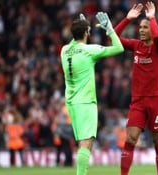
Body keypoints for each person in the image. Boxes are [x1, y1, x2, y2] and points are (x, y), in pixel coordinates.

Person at [60, 12, 123, 175]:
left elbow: (75, 41)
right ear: (87, 32)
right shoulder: (90, 51)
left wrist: (81, 27)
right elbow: (119, 48)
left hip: (72, 102)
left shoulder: (64, 50)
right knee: (86, 143)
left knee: (82, 142)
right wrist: (109, 28)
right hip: (85, 102)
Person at [114, 2, 158, 175]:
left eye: (145, 27)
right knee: (130, 139)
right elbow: (113, 38)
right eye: (140, 27)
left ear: (152, 28)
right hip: (137, 102)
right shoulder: (136, 46)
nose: (141, 30)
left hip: (156, 101)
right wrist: (127, 19)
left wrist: (151, 17)